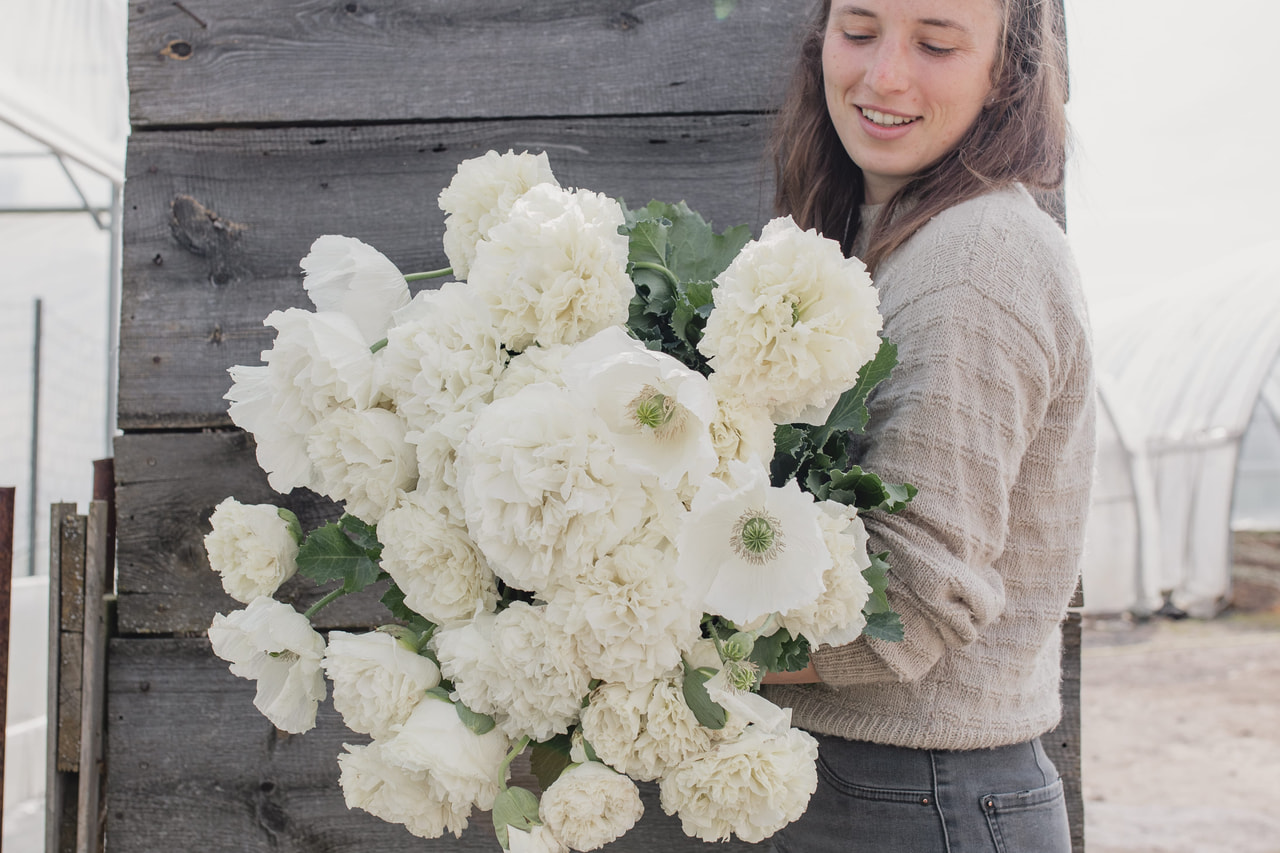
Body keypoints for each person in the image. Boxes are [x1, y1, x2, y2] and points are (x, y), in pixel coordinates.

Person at [759, 1, 1094, 851]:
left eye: (936, 43)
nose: (885, 76)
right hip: (896, 791)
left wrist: (662, 649)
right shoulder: (888, 234)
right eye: (860, 31)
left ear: (1006, 74)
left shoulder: (978, 259)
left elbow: (907, 601)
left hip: (916, 795)